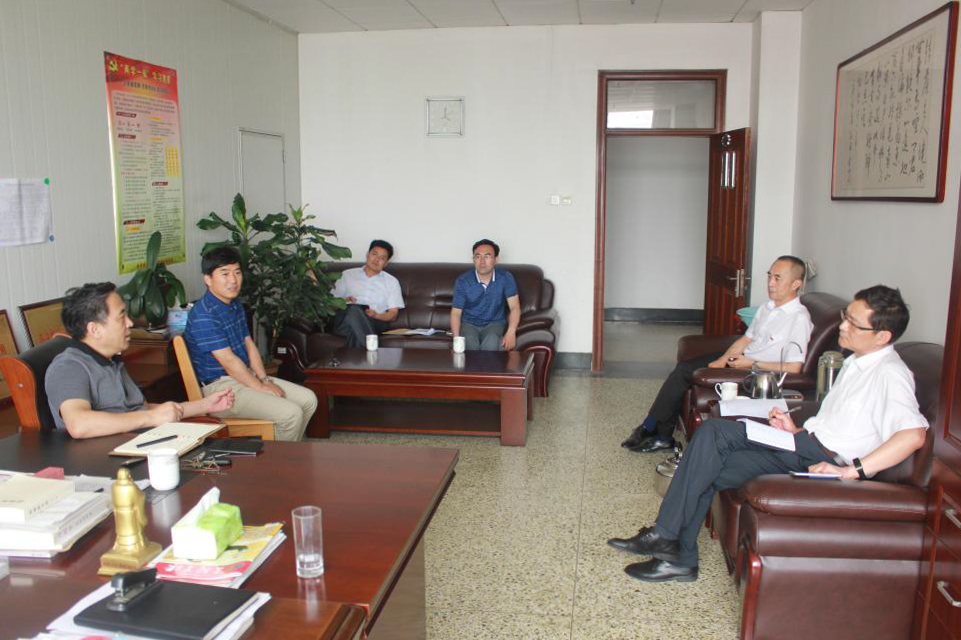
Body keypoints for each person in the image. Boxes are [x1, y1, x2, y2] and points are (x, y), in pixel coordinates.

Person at [607, 285, 928, 582]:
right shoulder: (857, 361)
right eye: (846, 316)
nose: (843, 326)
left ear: (882, 336)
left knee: (715, 431)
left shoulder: (890, 373)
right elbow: (845, 424)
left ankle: (664, 535)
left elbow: (913, 435)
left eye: (854, 324)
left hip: (820, 459)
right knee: (709, 465)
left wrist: (851, 471)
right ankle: (680, 559)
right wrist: (795, 428)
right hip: (803, 443)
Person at [622, 256, 813, 454]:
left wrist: (752, 363)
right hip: (741, 360)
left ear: (795, 284)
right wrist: (722, 360)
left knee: (684, 372)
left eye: (777, 278)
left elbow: (794, 367)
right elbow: (745, 340)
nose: (770, 283)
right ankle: (657, 431)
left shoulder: (799, 319)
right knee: (684, 369)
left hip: (756, 373)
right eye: (769, 276)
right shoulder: (767, 308)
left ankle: (653, 428)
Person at [45, 282, 234, 439]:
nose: (130, 323)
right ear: (94, 329)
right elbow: (79, 424)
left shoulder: (111, 361)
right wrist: (151, 417)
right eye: (121, 316)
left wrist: (205, 405)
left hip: (145, 443)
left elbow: (142, 410)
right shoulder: (69, 367)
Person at [184, 246, 317, 441]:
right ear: (208, 279)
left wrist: (264, 379)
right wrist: (260, 387)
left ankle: (287, 454)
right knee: (290, 414)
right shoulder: (204, 314)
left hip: (243, 376)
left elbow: (248, 344)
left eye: (237, 273)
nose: (233, 280)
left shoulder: (235, 304)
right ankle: (278, 460)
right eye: (225, 273)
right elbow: (229, 362)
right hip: (220, 389)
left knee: (308, 400)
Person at [330, 239, 404, 348]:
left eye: (382, 258)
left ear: (386, 263)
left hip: (375, 322)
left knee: (356, 328)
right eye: (374, 254)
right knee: (354, 309)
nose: (376, 260)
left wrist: (376, 315)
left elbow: (393, 315)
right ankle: (372, 352)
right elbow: (330, 304)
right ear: (367, 255)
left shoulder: (392, 282)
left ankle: (367, 353)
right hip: (344, 322)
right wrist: (344, 301)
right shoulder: (347, 275)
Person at [450, 239, 521, 351]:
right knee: (469, 342)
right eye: (478, 256)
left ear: (496, 259)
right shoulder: (463, 281)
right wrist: (456, 338)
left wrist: (511, 332)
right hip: (469, 323)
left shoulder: (505, 278)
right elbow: (456, 313)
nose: (482, 261)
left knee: (492, 342)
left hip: (495, 323)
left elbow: (514, 307)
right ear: (473, 259)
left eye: (487, 256)